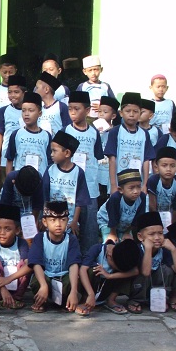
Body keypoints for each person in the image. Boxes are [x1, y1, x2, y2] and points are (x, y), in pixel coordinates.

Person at [64, 91, 104, 253]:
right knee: (68, 228)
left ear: (87, 111)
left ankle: (89, 264)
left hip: (90, 188)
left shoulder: (94, 133)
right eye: (70, 109)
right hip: (69, 188)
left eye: (77, 109)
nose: (73, 112)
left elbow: (98, 158)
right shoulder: (65, 131)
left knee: (89, 230)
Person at [28, 200, 82, 313]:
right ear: (45, 222)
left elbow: (73, 265)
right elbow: (36, 263)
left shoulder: (71, 239)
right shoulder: (39, 238)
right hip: (46, 276)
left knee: (73, 283)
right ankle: (42, 301)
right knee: (36, 282)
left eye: (63, 220)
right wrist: (43, 285)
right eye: (53, 220)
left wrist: (73, 291)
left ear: (67, 221)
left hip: (63, 277)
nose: (58, 224)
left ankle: (68, 300)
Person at [128, 211, 176, 314]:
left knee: (167, 270)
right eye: (151, 234)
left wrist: (173, 249)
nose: (157, 238)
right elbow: (145, 272)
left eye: (160, 233)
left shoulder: (165, 249)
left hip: (158, 286)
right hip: (140, 287)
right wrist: (148, 250)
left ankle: (162, 298)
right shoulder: (136, 250)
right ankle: (136, 300)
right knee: (140, 272)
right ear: (140, 237)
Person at [0, 203, 32, 310]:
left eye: (7, 229)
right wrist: (3, 288)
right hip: (0, 282)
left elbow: (29, 265)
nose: (2, 233)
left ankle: (17, 298)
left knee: (24, 266)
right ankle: (0, 297)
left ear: (17, 230)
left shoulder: (21, 243)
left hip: (15, 279)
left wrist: (8, 279)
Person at [104, 92, 154, 192]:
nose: (131, 114)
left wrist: (145, 184)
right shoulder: (115, 132)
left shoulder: (144, 134)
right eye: (128, 111)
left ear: (140, 113)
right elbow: (112, 159)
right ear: (121, 113)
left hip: (137, 185)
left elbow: (146, 160)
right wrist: (113, 186)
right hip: (119, 184)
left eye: (135, 111)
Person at [43, 131, 89, 239]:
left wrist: (74, 221)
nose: (51, 154)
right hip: (51, 220)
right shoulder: (50, 170)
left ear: (67, 153)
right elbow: (45, 196)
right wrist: (45, 217)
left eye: (54, 151)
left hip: (69, 222)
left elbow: (80, 200)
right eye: (51, 151)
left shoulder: (78, 172)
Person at [78, 238, 141, 316]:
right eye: (116, 267)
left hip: (107, 286)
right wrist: (91, 294)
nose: (115, 269)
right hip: (92, 286)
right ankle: (84, 300)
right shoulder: (97, 249)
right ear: (109, 256)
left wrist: (110, 276)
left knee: (127, 273)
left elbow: (135, 271)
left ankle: (111, 300)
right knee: (92, 270)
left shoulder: (121, 254)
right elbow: (82, 270)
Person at [5, 91, 52, 176]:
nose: (26, 114)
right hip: (20, 180)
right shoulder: (16, 134)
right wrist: (9, 180)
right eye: (23, 111)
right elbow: (9, 159)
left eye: (31, 110)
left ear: (40, 113)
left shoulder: (46, 136)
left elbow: (50, 162)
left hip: (40, 181)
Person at [97, 169, 147, 242]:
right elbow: (112, 217)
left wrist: (127, 232)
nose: (136, 191)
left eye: (139, 187)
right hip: (107, 222)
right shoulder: (115, 198)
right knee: (110, 244)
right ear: (120, 190)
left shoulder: (142, 197)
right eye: (131, 188)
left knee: (127, 244)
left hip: (125, 225)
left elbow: (138, 218)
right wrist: (113, 233)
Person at [0, 74, 27, 173]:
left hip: (24, 155)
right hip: (6, 155)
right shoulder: (4, 110)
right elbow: (0, 132)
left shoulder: (29, 111)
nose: (12, 95)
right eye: (10, 92)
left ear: (24, 93)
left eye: (16, 92)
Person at [147, 147, 176, 221]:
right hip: (154, 216)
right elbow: (152, 206)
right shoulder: (153, 180)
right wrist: (157, 223)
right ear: (156, 167)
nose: (168, 169)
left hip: (171, 217)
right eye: (164, 165)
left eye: (172, 166)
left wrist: (171, 226)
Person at [76, 55, 115, 120]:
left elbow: (113, 103)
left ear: (101, 70)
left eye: (96, 69)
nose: (93, 73)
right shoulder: (82, 86)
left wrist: (102, 106)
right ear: (84, 72)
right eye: (90, 70)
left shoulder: (105, 86)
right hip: (87, 118)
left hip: (103, 118)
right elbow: (76, 103)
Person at [35, 71, 70, 136]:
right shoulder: (39, 108)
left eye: (37, 88)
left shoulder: (61, 107)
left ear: (46, 90)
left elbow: (68, 128)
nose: (35, 91)